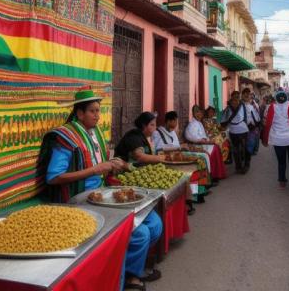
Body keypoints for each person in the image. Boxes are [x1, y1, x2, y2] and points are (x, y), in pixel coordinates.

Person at [41, 89, 162, 290]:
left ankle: (132, 270)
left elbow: (99, 165)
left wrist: (112, 163)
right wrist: (96, 170)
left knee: (154, 222)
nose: (97, 115)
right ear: (79, 113)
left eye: (99, 111)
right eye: (92, 111)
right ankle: (125, 279)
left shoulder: (95, 133)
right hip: (80, 198)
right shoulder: (66, 137)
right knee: (140, 234)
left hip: (102, 192)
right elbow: (53, 177)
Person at [262, 90, 289, 189]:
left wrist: (265, 139)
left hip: (278, 140)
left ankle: (282, 181)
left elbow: (268, 124)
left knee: (281, 162)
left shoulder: (272, 107)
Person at [185, 105, 226, 181]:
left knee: (216, 147)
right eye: (197, 113)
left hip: (203, 143)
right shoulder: (192, 124)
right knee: (214, 150)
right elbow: (191, 137)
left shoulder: (199, 123)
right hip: (197, 145)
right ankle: (212, 176)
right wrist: (206, 141)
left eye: (200, 113)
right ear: (194, 114)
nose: (199, 115)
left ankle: (216, 175)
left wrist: (208, 140)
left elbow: (204, 135)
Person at [221, 93, 250, 174]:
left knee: (245, 148)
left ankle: (246, 165)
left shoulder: (243, 105)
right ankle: (238, 167)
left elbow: (246, 117)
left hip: (243, 130)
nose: (236, 99)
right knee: (235, 149)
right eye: (235, 97)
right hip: (233, 131)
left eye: (238, 97)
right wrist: (223, 126)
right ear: (231, 98)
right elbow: (224, 119)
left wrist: (247, 125)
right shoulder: (228, 108)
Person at [241, 88, 261, 156]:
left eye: (248, 94)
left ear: (250, 95)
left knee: (251, 142)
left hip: (252, 126)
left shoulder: (254, 103)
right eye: (245, 94)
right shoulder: (240, 104)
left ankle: (249, 154)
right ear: (242, 95)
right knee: (244, 143)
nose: (246, 95)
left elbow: (258, 114)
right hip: (242, 127)